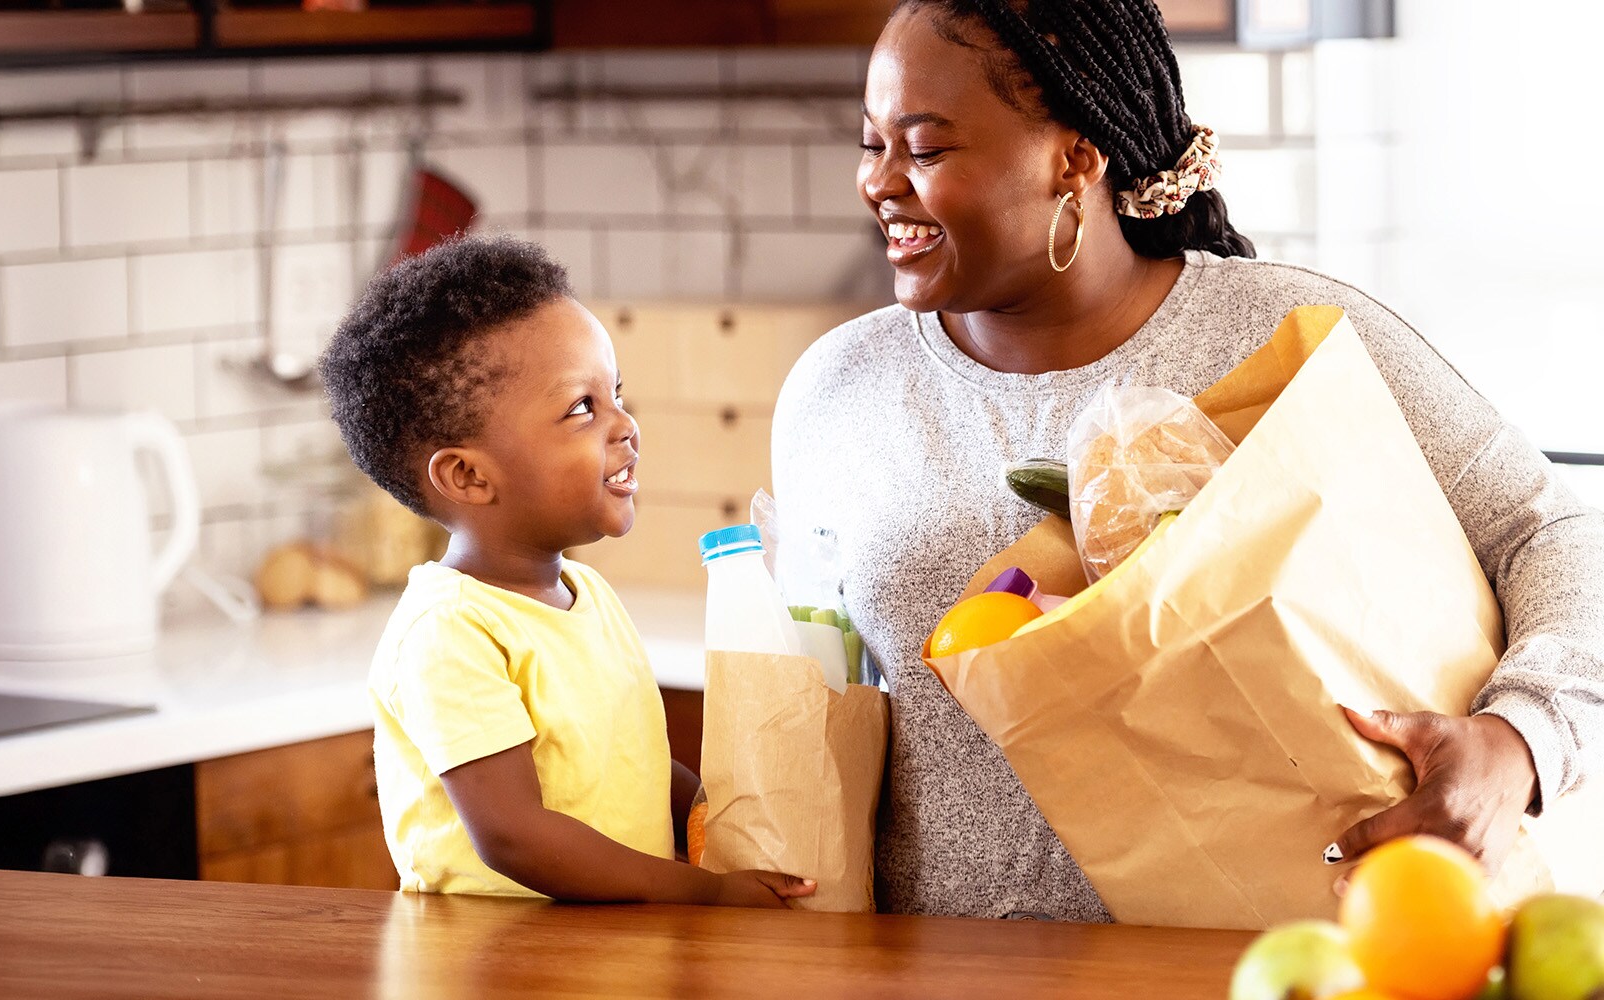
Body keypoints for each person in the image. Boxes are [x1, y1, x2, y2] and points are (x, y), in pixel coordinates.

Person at [771, 0, 1604, 920]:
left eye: (924, 150)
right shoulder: (835, 392)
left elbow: (1558, 535)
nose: (880, 182)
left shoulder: (1288, 337)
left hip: (1271, 960)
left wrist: (1520, 738)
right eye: (870, 143)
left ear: (1073, 159)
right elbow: (814, 698)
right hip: (940, 971)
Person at [321, 236, 814, 906]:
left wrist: (724, 811)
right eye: (582, 408)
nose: (626, 424)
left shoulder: (587, 596)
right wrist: (704, 893)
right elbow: (516, 834)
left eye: (615, 394)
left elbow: (626, 766)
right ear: (468, 475)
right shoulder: (449, 632)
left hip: (600, 956)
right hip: (498, 967)